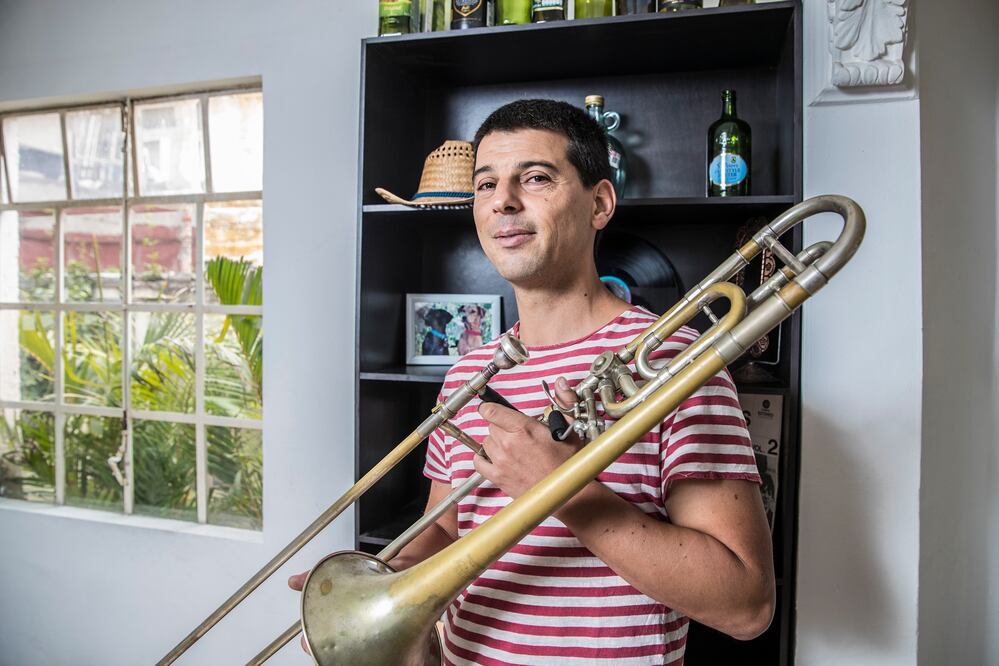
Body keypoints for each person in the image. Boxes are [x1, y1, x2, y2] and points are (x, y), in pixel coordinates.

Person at [291, 99, 774, 665]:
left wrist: (559, 487)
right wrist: (374, 592)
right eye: (485, 184)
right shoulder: (469, 375)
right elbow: (445, 532)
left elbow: (745, 604)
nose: (503, 201)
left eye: (536, 178)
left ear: (599, 203)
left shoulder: (676, 361)